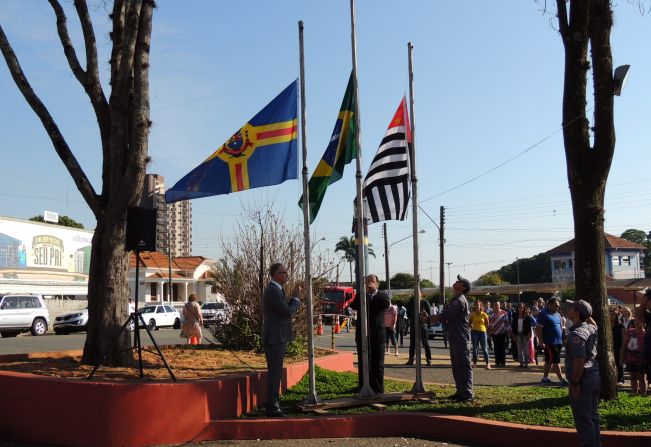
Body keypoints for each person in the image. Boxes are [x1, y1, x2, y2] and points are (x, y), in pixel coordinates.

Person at [422, 274, 473, 402]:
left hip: (461, 339)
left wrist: (428, 319)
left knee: (463, 366)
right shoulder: (456, 299)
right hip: (456, 337)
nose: (455, 282)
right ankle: (460, 391)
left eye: (459, 281)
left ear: (463, 287)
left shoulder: (459, 300)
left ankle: (467, 393)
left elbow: (445, 315)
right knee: (456, 366)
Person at [262, 263, 300, 417]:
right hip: (275, 338)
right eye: (283, 272)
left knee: (276, 373)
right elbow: (286, 312)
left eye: (286, 272)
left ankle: (274, 405)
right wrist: (296, 300)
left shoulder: (277, 290)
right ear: (275, 274)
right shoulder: (272, 291)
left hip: (278, 337)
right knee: (275, 374)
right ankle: (272, 408)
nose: (286, 275)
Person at [565, 299, 601, 447]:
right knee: (593, 416)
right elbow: (594, 324)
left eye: (571, 307)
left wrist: (574, 383)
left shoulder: (577, 334)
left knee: (583, 418)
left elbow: (579, 360)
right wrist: (587, 313)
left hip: (583, 380)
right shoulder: (591, 328)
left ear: (577, 312)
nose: (568, 309)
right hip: (594, 377)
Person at [349, 273, 390, 394]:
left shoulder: (382, 296)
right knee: (363, 362)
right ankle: (363, 386)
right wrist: (363, 293)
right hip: (362, 334)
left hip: (378, 335)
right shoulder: (361, 295)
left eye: (372, 281)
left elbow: (386, 304)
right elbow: (353, 305)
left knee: (377, 363)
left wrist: (374, 291)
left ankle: (377, 388)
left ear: (377, 283)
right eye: (367, 281)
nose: (369, 283)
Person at [536, 297, 569, 385]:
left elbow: (560, 327)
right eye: (556, 306)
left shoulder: (557, 314)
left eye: (558, 306)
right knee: (555, 360)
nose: (557, 307)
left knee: (549, 360)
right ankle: (562, 380)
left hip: (558, 342)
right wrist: (541, 341)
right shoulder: (543, 314)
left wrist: (562, 338)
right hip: (550, 342)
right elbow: (538, 328)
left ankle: (545, 378)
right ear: (549, 305)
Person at [621, 316, 646, 395]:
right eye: (635, 321)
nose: (636, 323)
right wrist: (622, 355)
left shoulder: (646, 333)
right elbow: (624, 344)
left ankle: (642, 396)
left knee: (641, 378)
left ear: (643, 323)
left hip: (641, 359)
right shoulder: (630, 331)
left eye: (639, 321)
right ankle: (634, 394)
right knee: (632, 377)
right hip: (630, 357)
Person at [405, 293, 432, 367]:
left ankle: (428, 359)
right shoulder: (411, 302)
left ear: (421, 294)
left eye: (418, 292)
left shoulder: (424, 302)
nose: (417, 294)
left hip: (422, 325)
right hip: (413, 325)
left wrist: (426, 321)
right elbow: (408, 313)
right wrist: (412, 320)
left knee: (425, 343)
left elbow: (429, 314)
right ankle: (411, 359)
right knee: (412, 343)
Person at [511, 303, 536, 368]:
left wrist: (529, 334)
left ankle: (526, 363)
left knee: (526, 349)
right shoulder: (515, 315)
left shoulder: (527, 316)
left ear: (524, 308)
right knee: (519, 349)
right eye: (519, 307)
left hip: (525, 334)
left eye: (522, 307)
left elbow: (529, 326)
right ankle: (521, 363)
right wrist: (513, 335)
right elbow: (513, 326)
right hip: (517, 334)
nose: (520, 308)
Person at [487, 301, 510, 367]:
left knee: (502, 348)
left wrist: (508, 331)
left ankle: (503, 362)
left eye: (498, 305)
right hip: (494, 333)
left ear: (500, 305)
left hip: (502, 333)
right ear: (493, 306)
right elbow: (489, 324)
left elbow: (507, 323)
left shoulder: (504, 313)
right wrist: (488, 332)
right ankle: (497, 362)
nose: (497, 306)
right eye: (495, 305)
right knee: (496, 348)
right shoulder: (491, 313)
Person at [469, 301, 491, 369]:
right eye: (475, 305)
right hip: (474, 332)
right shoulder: (472, 314)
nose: (476, 306)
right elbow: (469, 323)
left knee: (484, 349)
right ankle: (474, 363)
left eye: (478, 305)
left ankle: (488, 364)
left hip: (482, 332)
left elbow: (487, 323)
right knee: (475, 348)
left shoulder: (484, 314)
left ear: (480, 306)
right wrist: (472, 327)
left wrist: (485, 330)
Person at [609, 306, 625, 385]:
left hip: (618, 346)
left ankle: (621, 379)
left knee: (619, 363)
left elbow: (624, 338)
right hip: (610, 347)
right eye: (610, 315)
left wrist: (623, 348)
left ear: (616, 316)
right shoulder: (607, 326)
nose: (611, 316)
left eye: (613, 315)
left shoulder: (620, 326)